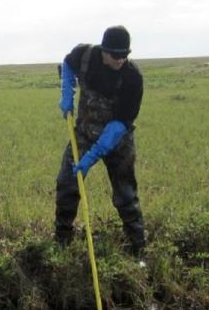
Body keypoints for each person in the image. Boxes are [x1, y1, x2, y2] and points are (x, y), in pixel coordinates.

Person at [54, 25, 146, 256]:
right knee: (67, 183)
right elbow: (67, 64)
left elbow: (120, 124)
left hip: (117, 140)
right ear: (104, 51)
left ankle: (138, 247)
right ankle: (62, 240)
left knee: (125, 194)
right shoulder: (85, 56)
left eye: (125, 55)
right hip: (84, 132)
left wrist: (93, 155)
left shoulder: (132, 77)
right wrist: (67, 92)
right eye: (116, 55)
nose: (121, 60)